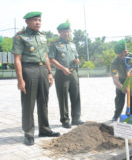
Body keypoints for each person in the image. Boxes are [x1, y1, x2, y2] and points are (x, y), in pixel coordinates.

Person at [12, 12, 60, 146]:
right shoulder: (20, 37)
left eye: (39, 20)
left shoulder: (43, 37)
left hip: (43, 70)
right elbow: (17, 59)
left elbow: (45, 56)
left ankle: (44, 129)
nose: (38, 22)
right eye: (34, 20)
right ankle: (28, 133)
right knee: (28, 103)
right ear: (27, 22)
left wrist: (50, 73)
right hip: (29, 70)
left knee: (43, 101)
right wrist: (20, 80)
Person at [48, 22, 83, 128]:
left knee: (76, 96)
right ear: (59, 32)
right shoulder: (54, 44)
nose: (66, 33)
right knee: (63, 97)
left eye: (67, 31)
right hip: (61, 74)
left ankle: (76, 119)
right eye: (63, 32)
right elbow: (51, 59)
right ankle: (65, 120)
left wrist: (77, 61)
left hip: (74, 73)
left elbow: (76, 57)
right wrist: (63, 68)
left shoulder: (72, 44)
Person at [111, 39, 132, 121]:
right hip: (120, 81)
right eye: (119, 54)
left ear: (126, 50)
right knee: (119, 99)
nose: (122, 56)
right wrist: (122, 87)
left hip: (131, 80)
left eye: (123, 53)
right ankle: (116, 115)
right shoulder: (115, 62)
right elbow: (115, 79)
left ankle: (130, 116)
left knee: (131, 99)